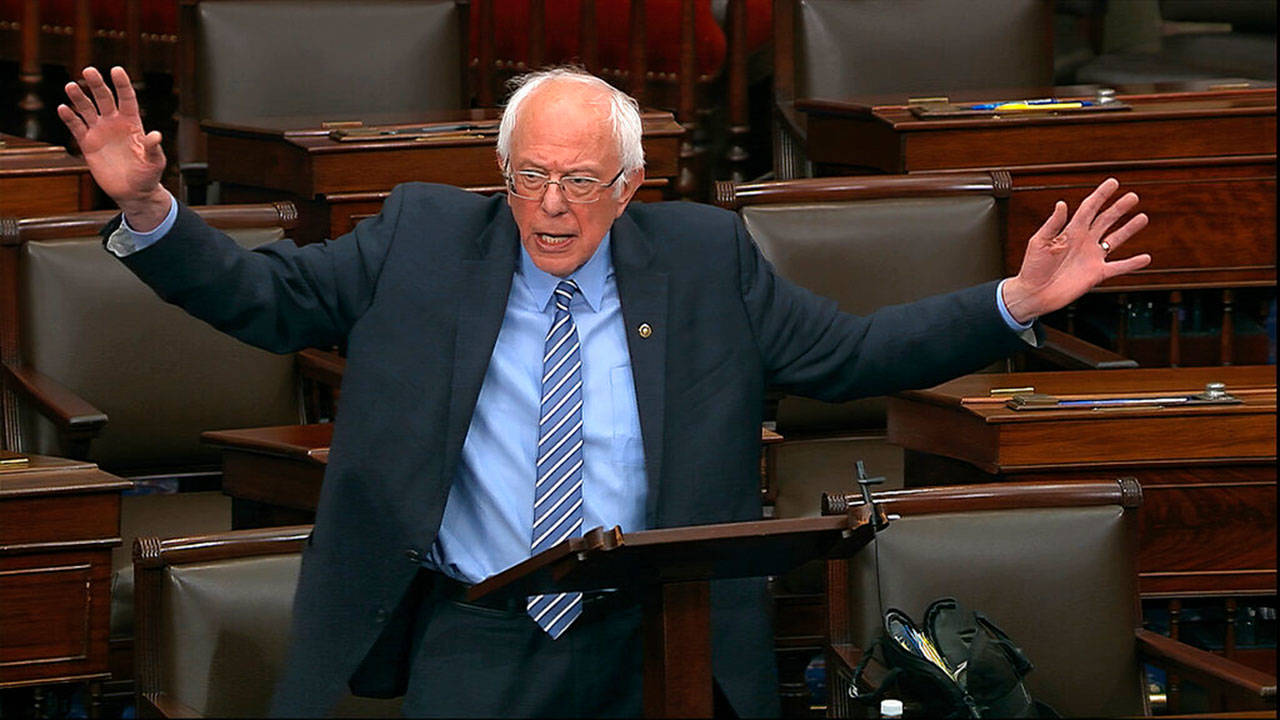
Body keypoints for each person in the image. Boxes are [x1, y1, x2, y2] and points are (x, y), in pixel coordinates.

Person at [59, 65, 1149, 718]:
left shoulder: (704, 262)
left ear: (629, 187)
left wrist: (1011, 299)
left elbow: (850, 355)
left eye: (580, 181)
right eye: (529, 176)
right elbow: (261, 300)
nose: (550, 207)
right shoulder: (424, 240)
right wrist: (152, 211)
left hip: (652, 633)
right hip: (474, 624)